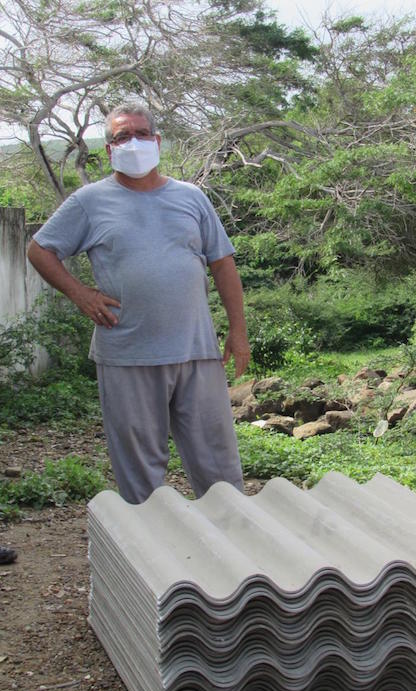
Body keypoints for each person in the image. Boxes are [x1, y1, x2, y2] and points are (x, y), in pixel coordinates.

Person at [27, 103, 250, 505]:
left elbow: (222, 262)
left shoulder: (191, 198)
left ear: (157, 141)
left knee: (220, 473)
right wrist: (81, 293)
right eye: (121, 136)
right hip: (127, 354)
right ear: (110, 149)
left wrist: (238, 331)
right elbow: (39, 249)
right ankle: (152, 564)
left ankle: (234, 558)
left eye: (141, 133)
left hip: (196, 353)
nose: (133, 142)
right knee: (141, 480)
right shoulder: (89, 201)